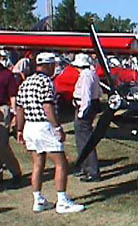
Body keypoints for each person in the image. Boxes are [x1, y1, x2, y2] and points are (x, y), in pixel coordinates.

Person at [16, 52, 85, 213]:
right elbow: (47, 106)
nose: (55, 68)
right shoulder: (46, 82)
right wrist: (57, 127)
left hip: (30, 126)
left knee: (38, 164)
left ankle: (38, 199)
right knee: (61, 163)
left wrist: (19, 129)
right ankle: (62, 201)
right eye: (53, 65)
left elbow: (19, 108)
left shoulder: (26, 82)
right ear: (48, 65)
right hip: (44, 126)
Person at [72, 53, 102, 182]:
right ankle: (85, 168)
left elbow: (86, 94)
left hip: (85, 107)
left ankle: (91, 170)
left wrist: (81, 112)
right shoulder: (91, 73)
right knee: (82, 138)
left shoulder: (85, 75)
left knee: (84, 139)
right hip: (88, 106)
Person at [0, 54, 22, 187]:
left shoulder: (6, 74)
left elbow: (13, 95)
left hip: (3, 109)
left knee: (2, 145)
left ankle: (16, 172)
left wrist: (14, 113)